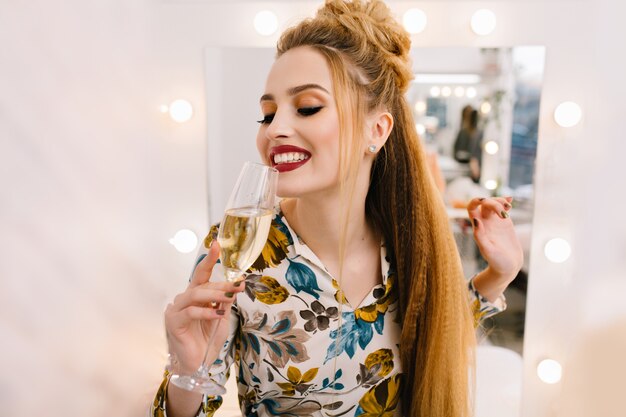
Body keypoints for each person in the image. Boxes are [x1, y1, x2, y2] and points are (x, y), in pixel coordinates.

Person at [152, 1, 523, 416]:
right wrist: (188, 370)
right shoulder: (237, 251)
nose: (275, 130)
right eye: (267, 114)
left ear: (376, 130)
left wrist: (499, 274)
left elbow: (440, 333)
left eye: (307, 107)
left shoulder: (410, 240)